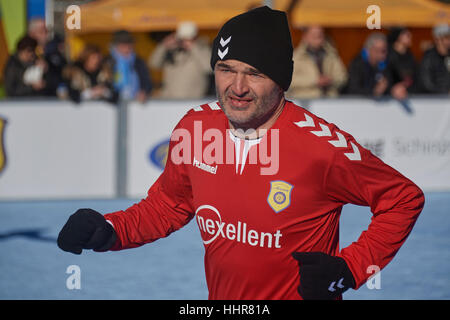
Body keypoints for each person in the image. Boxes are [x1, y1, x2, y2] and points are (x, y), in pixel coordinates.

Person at [57, 6, 424, 300]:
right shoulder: (196, 128)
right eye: (226, 69)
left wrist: (351, 269)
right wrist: (109, 230)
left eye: (254, 73)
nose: (237, 87)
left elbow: (402, 198)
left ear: (281, 80)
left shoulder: (322, 147)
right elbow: (169, 203)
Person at [149, 21, 212, 99]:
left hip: (193, 100)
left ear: (195, 37)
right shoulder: (170, 50)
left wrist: (193, 48)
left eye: (188, 38)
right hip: (169, 99)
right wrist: (163, 45)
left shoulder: (202, 48)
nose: (184, 41)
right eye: (182, 38)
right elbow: (154, 64)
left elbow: (209, 68)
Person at [287, 25, 347, 99]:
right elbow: (289, 81)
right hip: (304, 101)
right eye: (314, 35)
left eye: (320, 35)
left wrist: (330, 80)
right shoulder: (296, 57)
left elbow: (342, 76)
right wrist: (315, 81)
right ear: (305, 37)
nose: (318, 38)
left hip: (330, 100)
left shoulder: (331, 55)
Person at [108, 30, 152, 102]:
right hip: (113, 103)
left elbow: (147, 82)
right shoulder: (108, 62)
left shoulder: (139, 62)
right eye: (123, 44)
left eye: (129, 44)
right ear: (116, 45)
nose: (127, 47)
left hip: (135, 103)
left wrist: (144, 91)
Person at [346, 32, 390, 97]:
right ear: (369, 50)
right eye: (378, 51)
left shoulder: (386, 64)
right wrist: (374, 91)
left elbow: (391, 84)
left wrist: (393, 89)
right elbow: (353, 89)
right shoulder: (357, 65)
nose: (382, 55)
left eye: (384, 51)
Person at [386, 27, 419, 100]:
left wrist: (407, 87)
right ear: (398, 37)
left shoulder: (410, 56)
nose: (410, 36)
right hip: (390, 97)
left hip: (408, 95)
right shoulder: (387, 56)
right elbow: (385, 77)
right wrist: (392, 89)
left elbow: (415, 77)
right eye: (406, 34)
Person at [419, 24, 450, 94]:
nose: (449, 40)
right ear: (437, 39)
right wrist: (445, 92)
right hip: (435, 101)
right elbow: (426, 84)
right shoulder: (429, 57)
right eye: (447, 37)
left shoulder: (448, 55)